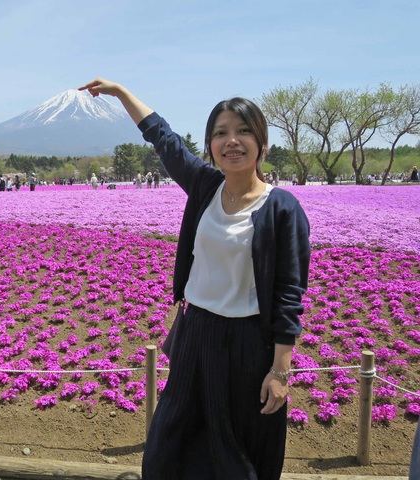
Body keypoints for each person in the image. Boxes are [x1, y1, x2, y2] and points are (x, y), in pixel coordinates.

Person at [79, 78, 310, 480]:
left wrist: (280, 372)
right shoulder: (205, 185)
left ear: (261, 143)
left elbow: (290, 294)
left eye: (243, 132)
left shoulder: (282, 209)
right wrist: (120, 93)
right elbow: (163, 138)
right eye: (221, 133)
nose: (232, 141)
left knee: (236, 447)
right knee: (171, 440)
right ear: (210, 145)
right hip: (195, 333)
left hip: (247, 345)